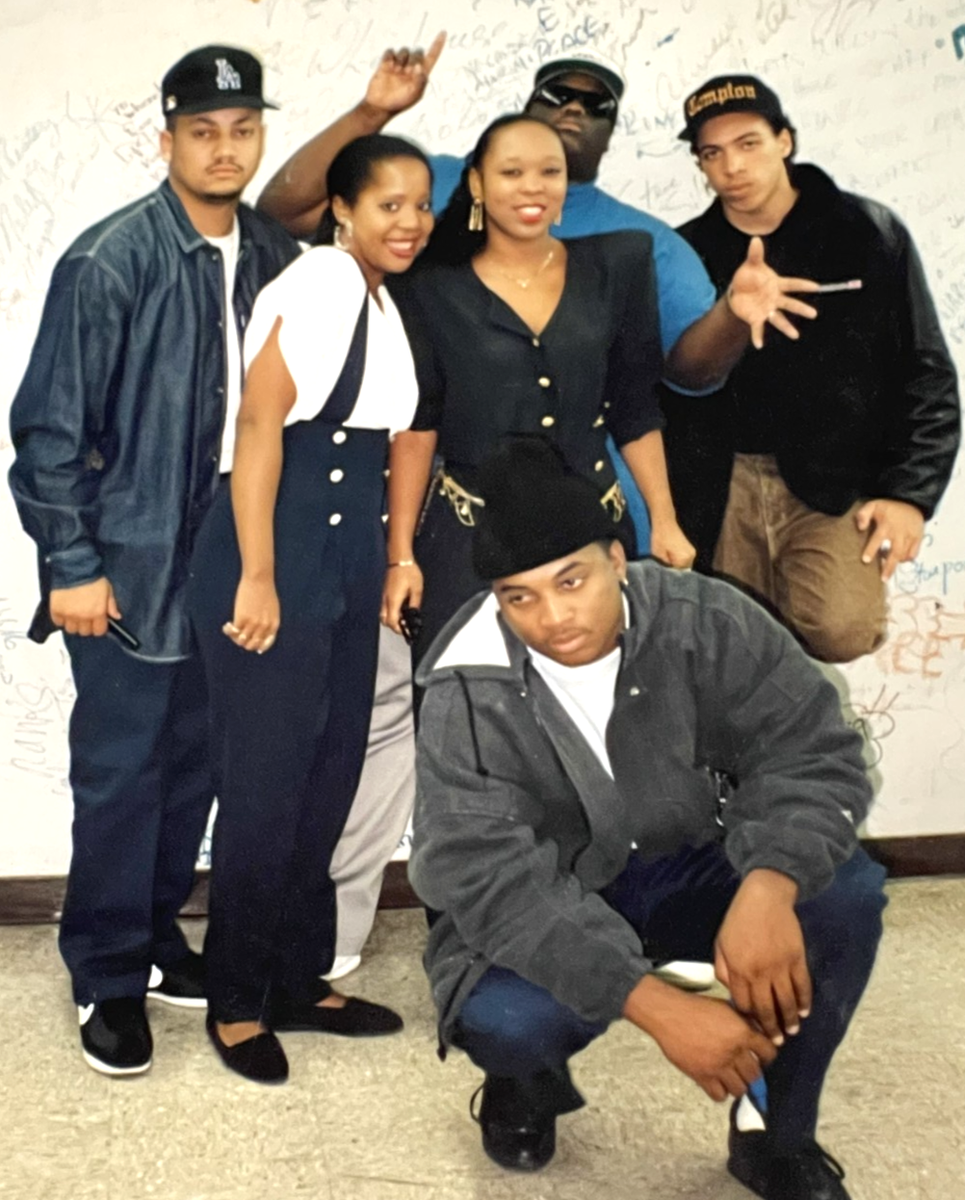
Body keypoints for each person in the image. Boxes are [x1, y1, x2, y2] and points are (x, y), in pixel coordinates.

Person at [409, 436, 887, 1200]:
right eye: (518, 597)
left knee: (841, 895)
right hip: (557, 889)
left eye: (571, 581)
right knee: (506, 1019)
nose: (552, 618)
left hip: (698, 856)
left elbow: (812, 752)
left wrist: (768, 885)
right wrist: (654, 1006)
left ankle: (772, 1134)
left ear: (615, 560)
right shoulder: (464, 685)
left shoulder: (706, 618)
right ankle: (522, 1081)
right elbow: (483, 875)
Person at [7, 46, 299, 1076]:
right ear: (166, 138)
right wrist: (71, 563)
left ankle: (156, 936)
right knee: (122, 778)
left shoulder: (276, 255)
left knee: (196, 769)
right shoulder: (110, 259)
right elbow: (47, 432)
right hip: (127, 564)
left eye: (242, 130)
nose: (225, 149)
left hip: (235, 556)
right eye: (203, 131)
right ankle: (106, 973)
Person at [257, 38, 819, 554]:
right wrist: (372, 113)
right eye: (558, 94)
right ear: (480, 179)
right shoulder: (433, 187)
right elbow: (286, 211)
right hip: (450, 507)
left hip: (589, 512)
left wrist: (731, 315)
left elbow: (685, 376)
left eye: (596, 105)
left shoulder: (642, 244)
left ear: (610, 134)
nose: (574, 109)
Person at [380, 114, 814, 659]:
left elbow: (635, 409)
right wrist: (402, 556)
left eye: (550, 172)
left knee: (610, 689)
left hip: (593, 537)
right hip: (469, 538)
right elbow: (418, 425)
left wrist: (663, 521)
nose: (533, 187)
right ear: (477, 184)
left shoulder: (619, 263)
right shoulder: (424, 286)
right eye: (512, 172)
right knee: (462, 691)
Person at [185, 134, 434, 1084]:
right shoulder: (319, 282)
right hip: (275, 547)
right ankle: (235, 1000)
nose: (409, 222)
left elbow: (401, 435)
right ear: (343, 210)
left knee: (327, 778)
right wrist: (257, 574)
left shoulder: (382, 299)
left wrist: (396, 558)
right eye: (388, 205)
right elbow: (259, 424)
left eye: (420, 205)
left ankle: (294, 977)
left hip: (345, 556)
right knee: (265, 788)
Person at [666, 74, 960, 661]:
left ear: (785, 140)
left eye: (748, 143)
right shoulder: (683, 251)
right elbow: (666, 380)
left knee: (841, 627)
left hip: (834, 477)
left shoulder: (866, 231)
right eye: (712, 153)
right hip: (719, 478)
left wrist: (910, 494)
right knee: (728, 648)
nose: (732, 167)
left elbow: (925, 366)